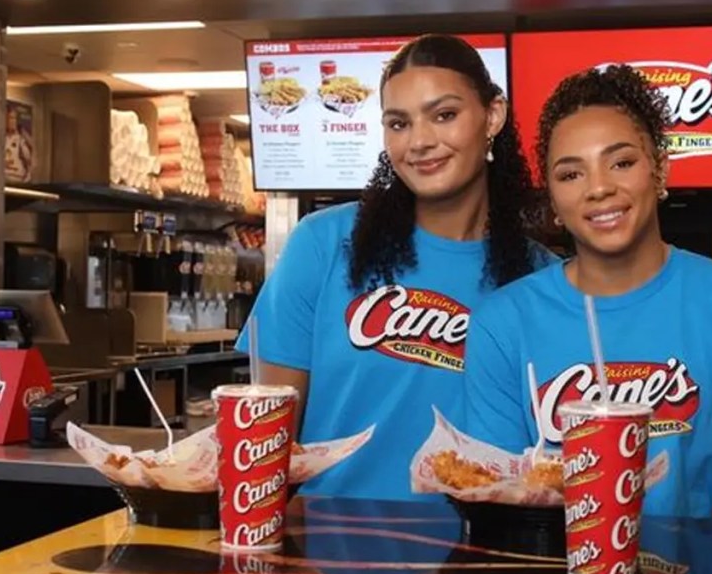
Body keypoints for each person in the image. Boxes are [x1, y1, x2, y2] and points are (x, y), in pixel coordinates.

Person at [460, 64, 712, 574]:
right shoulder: (502, 322)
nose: (598, 188)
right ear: (553, 195)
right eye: (572, 173)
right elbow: (502, 526)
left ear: (661, 169)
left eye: (621, 162)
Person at [236, 34, 551, 501]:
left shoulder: (541, 277)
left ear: (493, 115)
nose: (420, 141)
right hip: (329, 554)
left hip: (483, 558)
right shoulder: (323, 245)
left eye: (444, 115)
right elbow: (265, 442)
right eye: (399, 123)